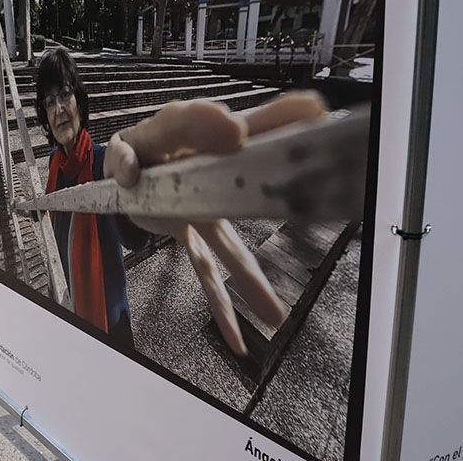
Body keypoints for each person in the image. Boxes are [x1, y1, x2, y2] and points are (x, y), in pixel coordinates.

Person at [36, 46, 305, 357]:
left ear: (79, 101)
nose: (58, 109)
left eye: (65, 95)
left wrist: (149, 186)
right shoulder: (55, 165)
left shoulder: (100, 161)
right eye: (49, 101)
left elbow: (134, 235)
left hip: (110, 319)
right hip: (73, 306)